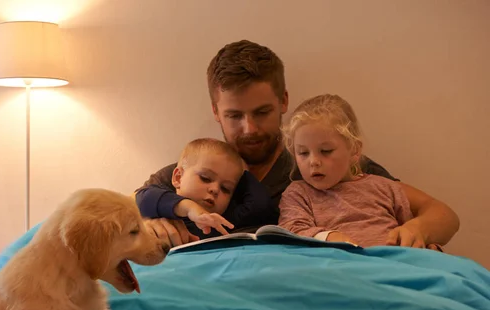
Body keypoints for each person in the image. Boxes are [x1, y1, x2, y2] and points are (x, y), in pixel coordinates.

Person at [136, 40, 459, 248]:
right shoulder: (196, 169)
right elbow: (122, 217)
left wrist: (418, 231)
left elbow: (442, 215)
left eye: (262, 112)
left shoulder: (319, 160)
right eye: (234, 115)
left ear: (283, 101)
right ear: (215, 112)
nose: (249, 128)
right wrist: (151, 226)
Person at [278, 94, 426, 248]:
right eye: (303, 153)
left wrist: (427, 245)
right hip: (338, 264)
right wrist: (328, 236)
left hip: (394, 261)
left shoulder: (386, 188)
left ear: (354, 150)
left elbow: (411, 233)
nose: (313, 161)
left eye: (326, 151)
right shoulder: (298, 194)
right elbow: (292, 230)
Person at [136, 138, 278, 239]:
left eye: (226, 188)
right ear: (178, 178)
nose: (215, 189)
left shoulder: (224, 221)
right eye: (205, 178)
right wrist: (189, 208)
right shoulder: (160, 205)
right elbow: (142, 198)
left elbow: (261, 206)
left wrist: (244, 174)